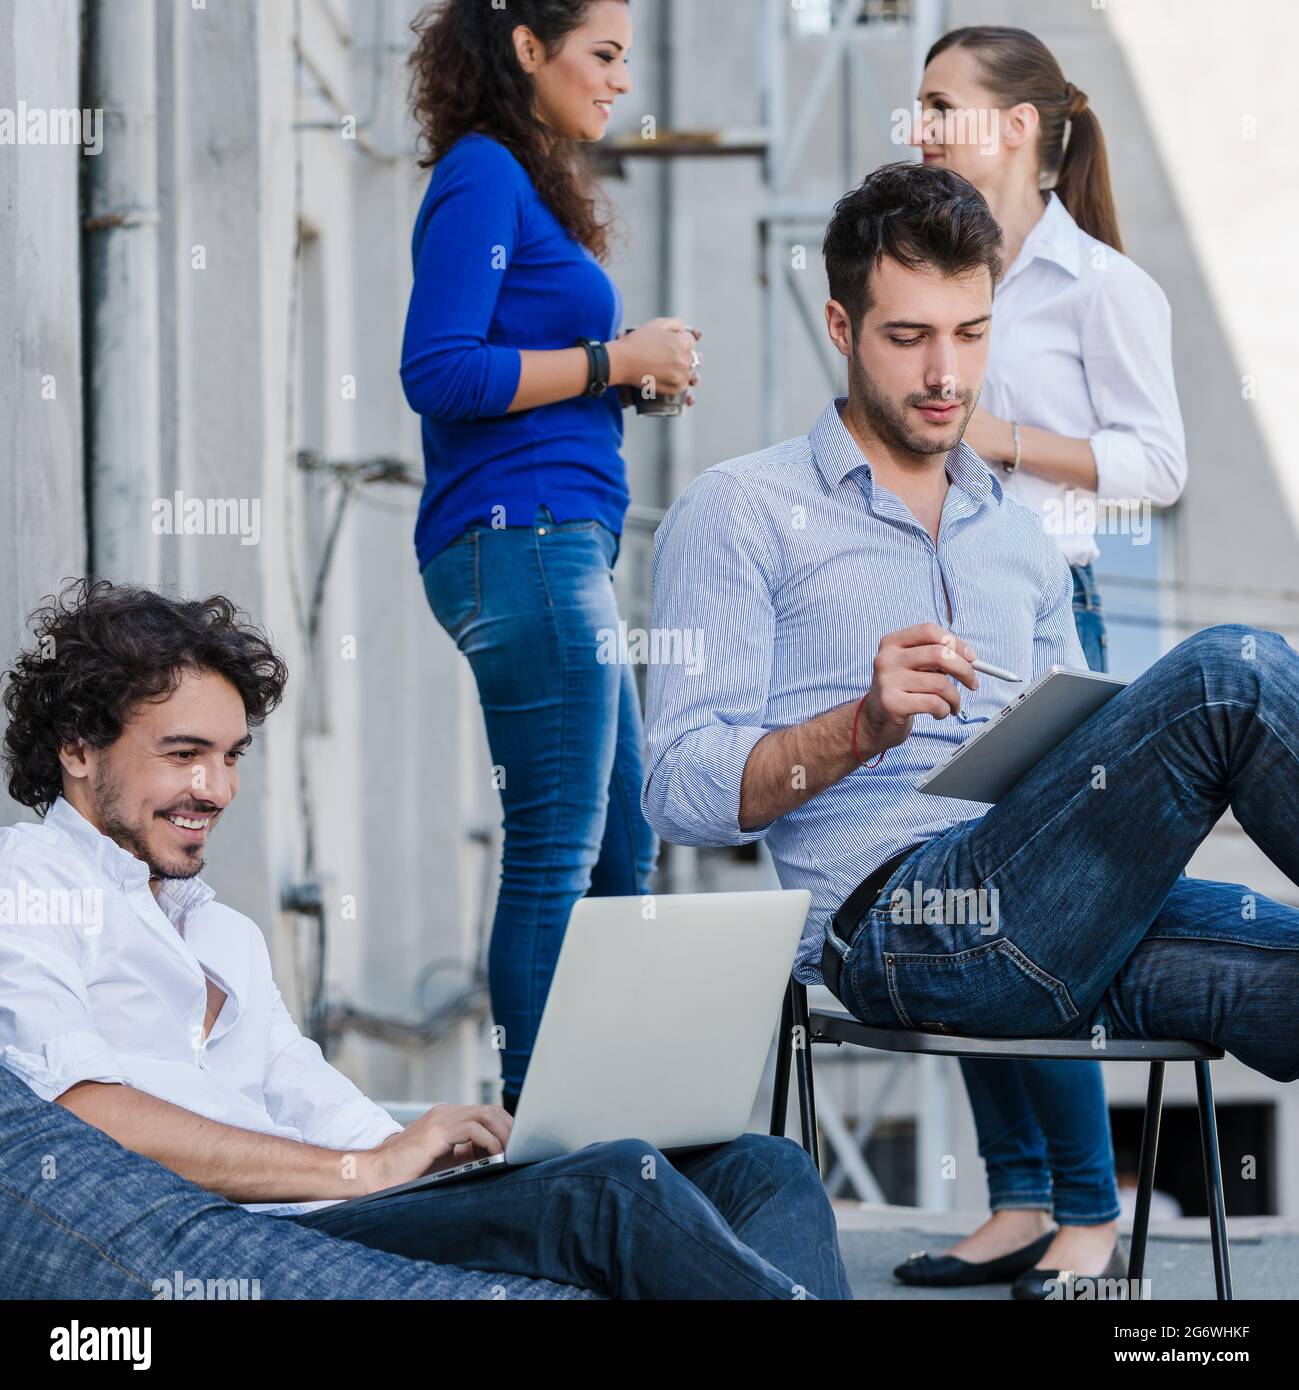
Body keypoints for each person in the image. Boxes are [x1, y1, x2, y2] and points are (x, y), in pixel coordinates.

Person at [641, 161, 1299, 1300]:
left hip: (1060, 914)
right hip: (902, 926)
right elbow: (679, 792)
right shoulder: (739, 513)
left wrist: (1104, 762)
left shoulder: (1022, 541)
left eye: (972, 332)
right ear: (842, 326)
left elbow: (1060, 767)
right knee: (1233, 670)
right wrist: (859, 724)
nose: (947, 374)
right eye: (908, 337)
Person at [0, 580, 851, 1301]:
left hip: (340, 1206)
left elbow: (309, 1096)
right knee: (611, 1187)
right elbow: (82, 1111)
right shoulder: (31, 881)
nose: (215, 788)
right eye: (184, 754)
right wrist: (357, 1173)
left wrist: (434, 1155)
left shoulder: (218, 928)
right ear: (78, 749)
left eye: (230, 757)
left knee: (760, 1165)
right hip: (258, 1229)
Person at [890, 24, 1188, 1290]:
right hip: (942, 608)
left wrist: (1003, 437)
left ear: (1019, 126)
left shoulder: (1101, 286)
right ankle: (1015, 1197)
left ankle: (1089, 1213)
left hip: (1056, 612)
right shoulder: (944, 265)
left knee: (1035, 923)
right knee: (949, 897)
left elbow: (1160, 468)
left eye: (942, 105)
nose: (922, 127)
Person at [400, 0, 698, 1114]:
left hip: (557, 542)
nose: (623, 79)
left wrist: (627, 379)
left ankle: (616, 1116)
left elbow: (527, 366)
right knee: (557, 856)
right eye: (605, 54)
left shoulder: (525, 186)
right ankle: (542, 1137)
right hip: (520, 544)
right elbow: (440, 372)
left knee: (624, 851)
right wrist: (611, 355)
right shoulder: (481, 173)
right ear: (528, 46)